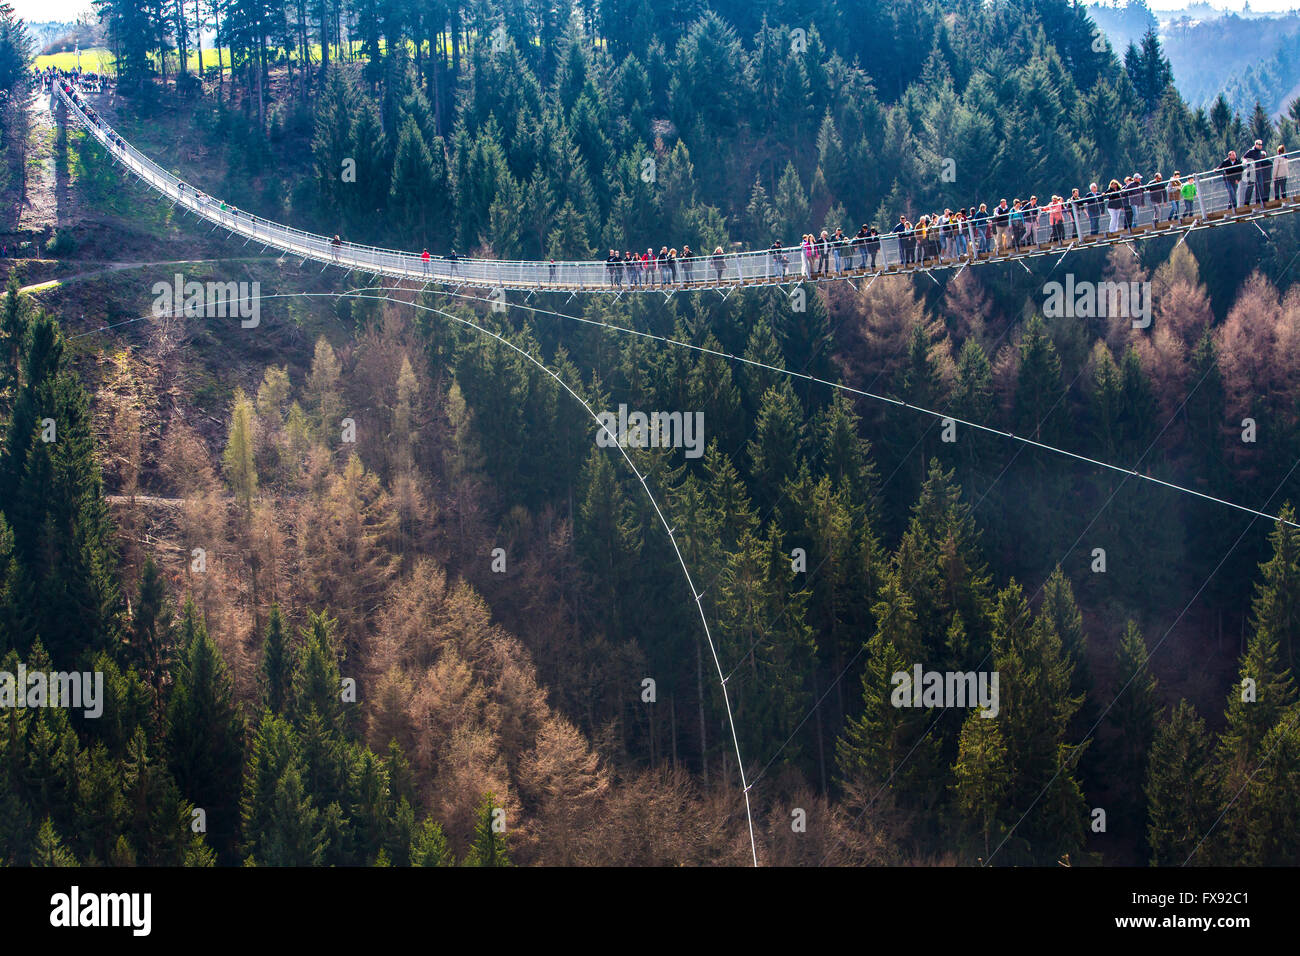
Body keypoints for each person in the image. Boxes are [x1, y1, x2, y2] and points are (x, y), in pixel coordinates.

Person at [1243, 139, 1270, 205]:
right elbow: (1244, 158)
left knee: (1260, 185)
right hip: (1251, 171)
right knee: (1250, 186)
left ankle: (1262, 201)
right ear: (1256, 144)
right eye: (1259, 145)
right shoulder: (1251, 151)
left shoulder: (1260, 152)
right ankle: (1246, 203)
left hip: (1259, 171)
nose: (1261, 146)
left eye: (1261, 145)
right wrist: (1247, 162)